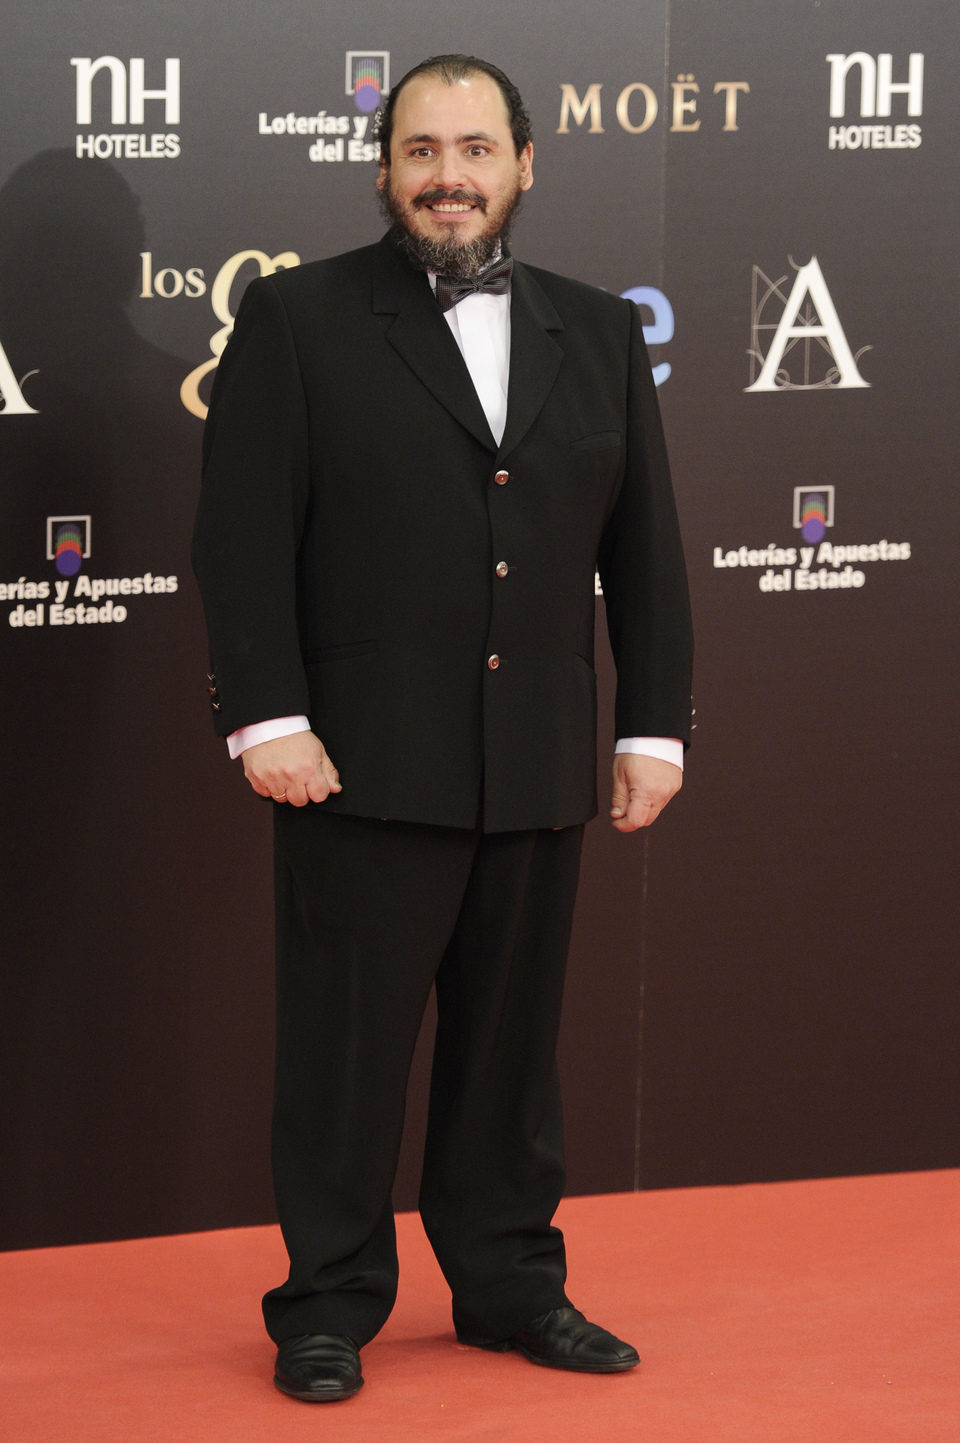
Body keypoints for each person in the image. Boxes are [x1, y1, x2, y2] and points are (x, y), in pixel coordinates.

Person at [192, 53, 693, 1404]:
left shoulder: (596, 328)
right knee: (344, 1060)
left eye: (476, 148)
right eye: (422, 150)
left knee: (511, 1059)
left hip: (534, 757)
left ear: (526, 165)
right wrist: (269, 721)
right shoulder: (296, 318)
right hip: (353, 763)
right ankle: (327, 1306)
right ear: (384, 169)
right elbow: (240, 543)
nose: (449, 174)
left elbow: (645, 552)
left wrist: (653, 727)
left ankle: (513, 1289)